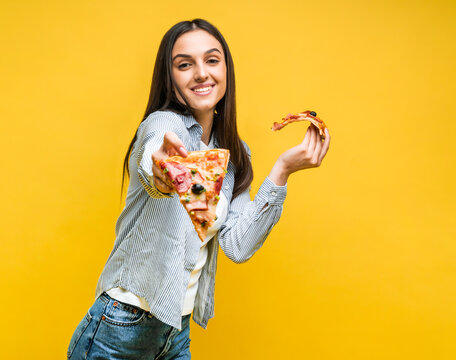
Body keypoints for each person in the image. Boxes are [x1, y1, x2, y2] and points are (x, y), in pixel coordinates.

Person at [67, 18, 330, 360]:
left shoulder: (234, 155)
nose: (201, 73)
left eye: (211, 60)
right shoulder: (162, 125)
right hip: (121, 328)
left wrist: (282, 171)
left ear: (225, 70)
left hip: (176, 331)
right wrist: (163, 171)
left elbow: (237, 245)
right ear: (170, 77)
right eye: (184, 64)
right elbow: (154, 162)